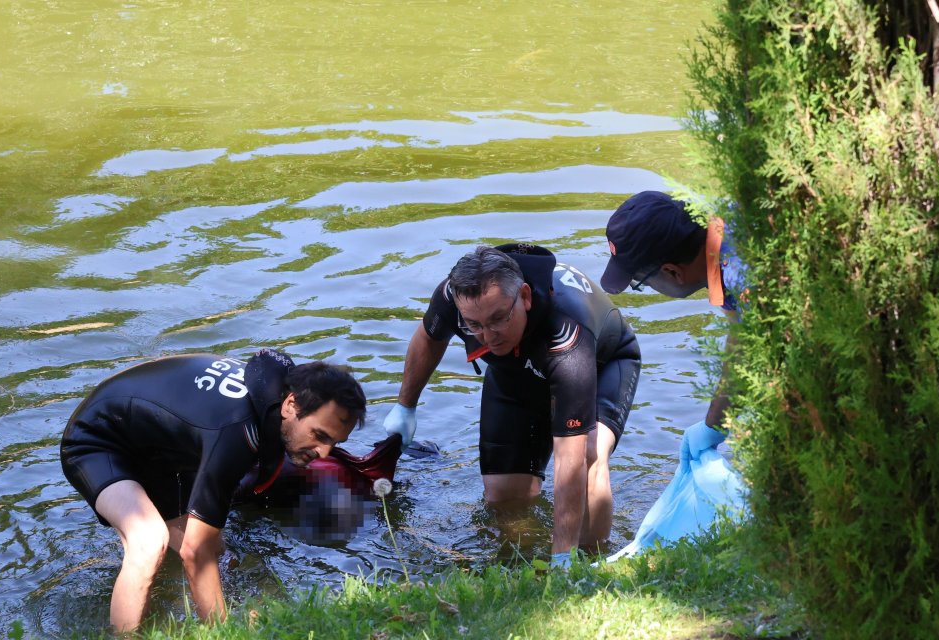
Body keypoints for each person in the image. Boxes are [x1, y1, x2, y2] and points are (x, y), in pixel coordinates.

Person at [60, 349, 366, 633]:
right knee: (150, 542)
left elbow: (203, 548)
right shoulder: (237, 432)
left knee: (216, 551)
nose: (325, 453)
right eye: (319, 435)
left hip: (156, 449)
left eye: (334, 443)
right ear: (290, 405)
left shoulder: (277, 397)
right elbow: (196, 553)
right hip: (97, 440)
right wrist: (224, 632)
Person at [382, 243, 641, 565]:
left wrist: (562, 559)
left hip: (602, 366)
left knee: (588, 457)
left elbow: (569, 463)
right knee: (503, 495)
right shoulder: (452, 297)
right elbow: (429, 338)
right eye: (473, 325)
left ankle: (589, 563)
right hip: (518, 372)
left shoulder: (565, 334)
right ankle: (514, 563)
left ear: (526, 297)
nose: (487, 337)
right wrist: (406, 406)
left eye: (498, 319)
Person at [599, 190, 748, 430]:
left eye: (642, 283)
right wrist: (714, 425)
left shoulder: (743, 279)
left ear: (672, 272)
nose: (646, 288)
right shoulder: (726, 224)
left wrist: (713, 425)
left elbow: (757, 351)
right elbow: (742, 335)